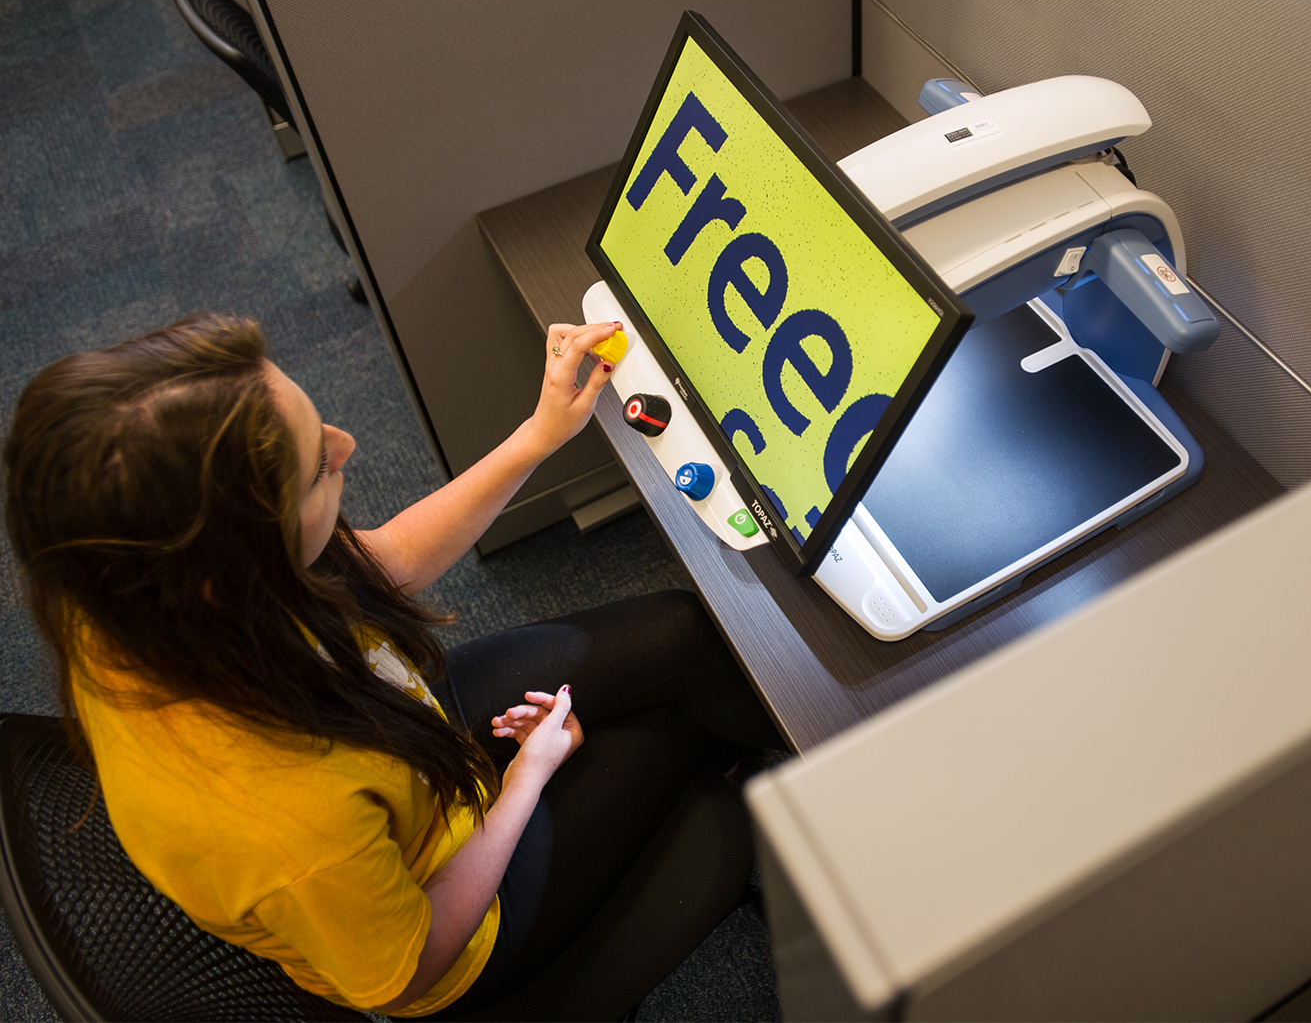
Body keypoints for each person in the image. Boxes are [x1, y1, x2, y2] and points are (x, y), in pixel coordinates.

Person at [2, 312, 785, 1020]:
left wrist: (539, 434)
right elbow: (412, 966)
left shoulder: (130, 584)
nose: (346, 445)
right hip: (452, 929)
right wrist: (525, 780)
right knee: (699, 788)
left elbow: (379, 565)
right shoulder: (278, 817)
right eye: (317, 469)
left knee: (682, 635)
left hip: (391, 733)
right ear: (234, 570)